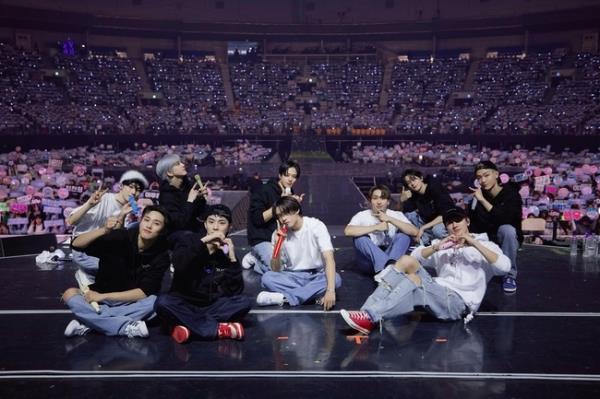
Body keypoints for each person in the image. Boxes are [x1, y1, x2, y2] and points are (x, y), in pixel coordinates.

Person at [340, 207, 510, 335]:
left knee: (414, 279)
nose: (454, 225)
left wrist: (474, 243)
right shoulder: (445, 245)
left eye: (458, 220)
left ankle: (370, 317)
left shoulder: (485, 245)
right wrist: (437, 247)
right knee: (406, 261)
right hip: (439, 292)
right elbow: (415, 256)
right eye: (449, 223)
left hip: (459, 303)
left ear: (467, 221)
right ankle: (366, 313)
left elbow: (504, 267)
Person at [62, 205, 170, 338]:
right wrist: (104, 230)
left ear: (163, 230)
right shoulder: (120, 237)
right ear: (141, 221)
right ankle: (124, 327)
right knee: (69, 294)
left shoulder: (162, 256)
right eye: (146, 220)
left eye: (156, 223)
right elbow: (76, 244)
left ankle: (90, 323)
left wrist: (103, 297)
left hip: (130, 302)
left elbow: (143, 292)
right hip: (100, 295)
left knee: (155, 302)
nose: (149, 225)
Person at [155, 205, 251, 343]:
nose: (216, 228)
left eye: (222, 223)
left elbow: (235, 291)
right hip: (184, 302)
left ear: (229, 227)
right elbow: (180, 266)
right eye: (211, 222)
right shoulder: (189, 240)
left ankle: (185, 325)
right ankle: (218, 329)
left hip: (211, 306)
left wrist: (232, 258)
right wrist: (204, 244)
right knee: (162, 303)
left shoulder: (226, 251)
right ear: (205, 224)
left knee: (244, 302)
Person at [256, 196, 341, 310]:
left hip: (316, 275)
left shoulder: (316, 226)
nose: (283, 219)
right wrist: (278, 245)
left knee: (335, 279)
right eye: (279, 216)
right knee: (267, 278)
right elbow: (276, 269)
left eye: (286, 213)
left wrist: (330, 291)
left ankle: (285, 298)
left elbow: (329, 258)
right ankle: (310, 295)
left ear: (297, 210)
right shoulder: (278, 234)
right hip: (292, 276)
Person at [67, 170, 149, 284]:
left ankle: (96, 275)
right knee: (120, 268)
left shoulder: (127, 207)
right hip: (83, 249)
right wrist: (89, 204)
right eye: (131, 187)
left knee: (135, 228)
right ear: (121, 186)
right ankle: (88, 276)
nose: (134, 192)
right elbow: (71, 221)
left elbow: (117, 235)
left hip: (102, 247)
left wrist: (122, 215)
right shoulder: (104, 198)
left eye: (138, 190)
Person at [469, 161, 523, 293]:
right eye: (479, 177)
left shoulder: (511, 194)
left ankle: (509, 275)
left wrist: (482, 200)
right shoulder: (477, 197)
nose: (483, 180)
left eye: (486, 175)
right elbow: (475, 225)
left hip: (506, 238)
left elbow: (505, 219)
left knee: (507, 229)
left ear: (496, 174)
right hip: (486, 238)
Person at [243, 160, 304, 274]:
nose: (290, 179)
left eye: (294, 177)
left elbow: (293, 222)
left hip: (281, 238)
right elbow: (257, 219)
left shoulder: (289, 192)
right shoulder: (264, 190)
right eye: (287, 175)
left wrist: (296, 206)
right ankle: (255, 259)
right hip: (262, 238)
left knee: (295, 265)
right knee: (276, 269)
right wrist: (280, 203)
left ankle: (259, 259)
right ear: (280, 175)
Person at [344, 185, 417, 276]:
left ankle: (388, 268)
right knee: (359, 238)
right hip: (368, 262)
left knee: (404, 236)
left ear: (388, 202)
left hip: (391, 256)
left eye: (383, 198)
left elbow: (414, 232)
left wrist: (390, 219)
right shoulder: (362, 215)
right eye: (375, 198)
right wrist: (375, 227)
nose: (379, 202)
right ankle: (390, 269)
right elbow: (348, 231)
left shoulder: (396, 215)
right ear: (371, 201)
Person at [156, 154, 207, 235]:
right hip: (179, 237)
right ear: (169, 172)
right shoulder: (166, 196)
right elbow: (179, 223)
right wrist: (190, 200)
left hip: (194, 230)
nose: (183, 165)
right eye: (178, 164)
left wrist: (200, 198)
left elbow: (198, 213)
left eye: (181, 162)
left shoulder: (187, 187)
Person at [400, 169, 454, 245]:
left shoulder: (434, 188)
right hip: (428, 223)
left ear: (421, 178)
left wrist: (423, 227)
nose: (412, 183)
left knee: (437, 230)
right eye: (409, 183)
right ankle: (427, 240)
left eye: (414, 179)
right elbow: (401, 215)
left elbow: (446, 214)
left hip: (446, 220)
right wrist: (402, 201)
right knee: (409, 215)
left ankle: (448, 241)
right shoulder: (414, 194)